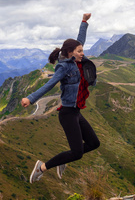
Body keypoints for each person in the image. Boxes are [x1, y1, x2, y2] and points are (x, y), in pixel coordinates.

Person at [21, 13, 100, 184]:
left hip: (76, 112)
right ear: (71, 53)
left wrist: (84, 22)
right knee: (77, 153)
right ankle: (41, 167)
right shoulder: (64, 68)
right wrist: (30, 98)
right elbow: (49, 85)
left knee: (94, 143)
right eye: (79, 51)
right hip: (67, 114)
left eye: (82, 50)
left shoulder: (77, 60)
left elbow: (80, 40)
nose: (82, 53)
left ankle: (64, 160)